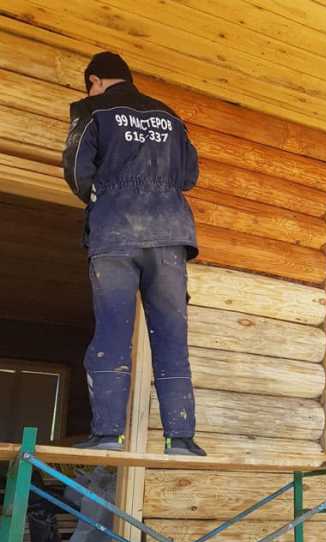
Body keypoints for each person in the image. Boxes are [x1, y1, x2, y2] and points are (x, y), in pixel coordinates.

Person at [63, 51, 205, 457]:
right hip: (170, 236)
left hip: (116, 233)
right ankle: (180, 438)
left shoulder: (91, 110)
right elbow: (190, 175)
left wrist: (103, 198)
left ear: (95, 80)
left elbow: (76, 169)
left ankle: (108, 434)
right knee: (171, 336)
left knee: (112, 331)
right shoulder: (170, 117)